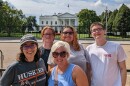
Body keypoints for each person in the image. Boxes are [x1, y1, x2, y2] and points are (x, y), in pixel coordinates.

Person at [86, 22, 127, 86]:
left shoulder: (116, 47)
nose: (97, 31)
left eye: (99, 29)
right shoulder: (88, 49)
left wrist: (122, 84)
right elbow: (88, 70)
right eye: (94, 30)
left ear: (105, 31)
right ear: (91, 34)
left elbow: (123, 68)